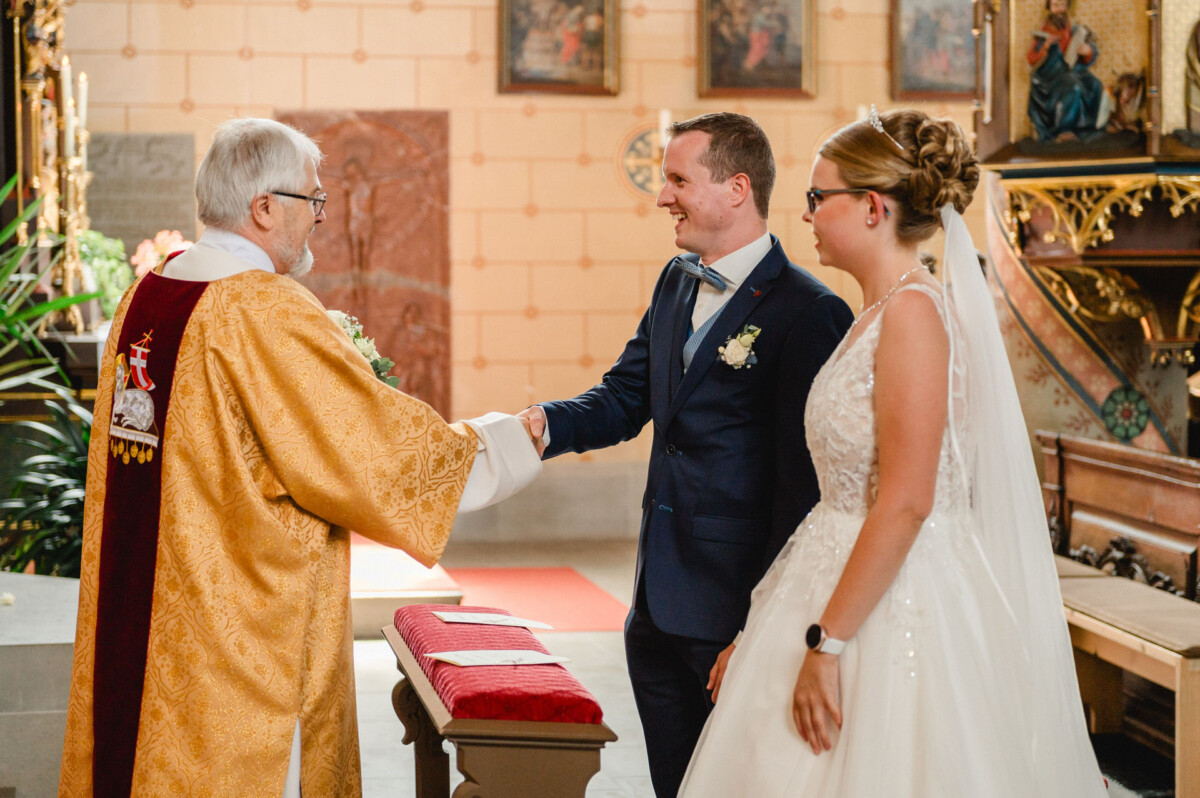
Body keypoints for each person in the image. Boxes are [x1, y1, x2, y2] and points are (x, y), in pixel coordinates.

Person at [57, 118, 542, 798]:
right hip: (246, 638)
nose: (319, 218)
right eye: (312, 201)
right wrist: (509, 440)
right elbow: (376, 454)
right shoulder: (261, 311)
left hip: (147, 620)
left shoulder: (149, 296)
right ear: (263, 207)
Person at [677, 108, 1110, 797]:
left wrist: (829, 646)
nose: (808, 214)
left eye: (820, 198)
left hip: (891, 603)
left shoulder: (914, 314)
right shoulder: (874, 316)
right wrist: (768, 633)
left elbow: (907, 500)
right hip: (831, 574)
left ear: (873, 207)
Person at [520, 112, 852, 797]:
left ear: (736, 188)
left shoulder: (809, 311)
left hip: (733, 614)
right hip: (655, 606)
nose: (662, 196)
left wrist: (760, 630)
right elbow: (623, 398)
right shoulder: (676, 283)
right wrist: (538, 425)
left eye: (677, 180)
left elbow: (805, 490)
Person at [1027, 0, 1107, 142]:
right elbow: (1031, 58)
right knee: (1073, 86)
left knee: (1094, 84)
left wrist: (1087, 51)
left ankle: (1088, 129)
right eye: (1056, 5)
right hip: (1050, 74)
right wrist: (1045, 46)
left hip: (1073, 69)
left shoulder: (1073, 27)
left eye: (1063, 5)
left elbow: (1089, 52)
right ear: (1049, 8)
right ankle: (1064, 130)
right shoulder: (1044, 30)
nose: (1060, 9)